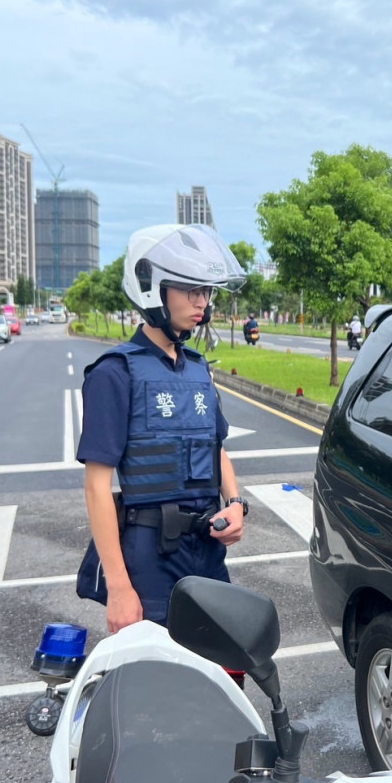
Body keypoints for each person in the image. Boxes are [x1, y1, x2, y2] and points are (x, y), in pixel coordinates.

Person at [75, 224, 250, 643]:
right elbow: (97, 488)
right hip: (150, 559)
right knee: (157, 684)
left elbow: (216, 446)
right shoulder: (116, 373)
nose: (202, 302)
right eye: (189, 289)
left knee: (221, 673)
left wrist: (237, 503)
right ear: (152, 287)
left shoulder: (197, 366)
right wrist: (119, 587)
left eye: (206, 291)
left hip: (207, 551)